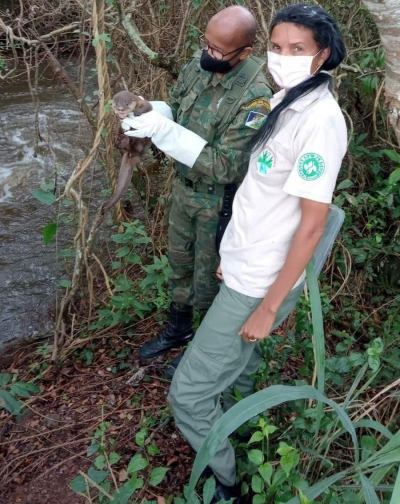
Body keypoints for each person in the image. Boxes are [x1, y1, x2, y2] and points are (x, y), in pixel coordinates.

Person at [167, 4, 348, 501]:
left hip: (260, 280)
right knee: (240, 364)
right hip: (247, 262)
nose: (283, 57)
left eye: (298, 49)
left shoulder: (320, 122)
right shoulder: (286, 100)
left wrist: (270, 304)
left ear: (323, 55)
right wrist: (230, 251)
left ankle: (224, 481)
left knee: (186, 394)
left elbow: (312, 225)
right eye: (277, 46)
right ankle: (243, 432)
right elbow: (262, 198)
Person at [122, 5, 273, 360]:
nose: (207, 54)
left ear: (245, 52)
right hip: (184, 189)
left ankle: (206, 351)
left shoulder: (256, 97)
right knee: (180, 264)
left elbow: (226, 166)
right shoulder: (201, 61)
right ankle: (179, 327)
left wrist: (166, 132)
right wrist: (152, 113)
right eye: (205, 44)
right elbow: (176, 106)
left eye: (218, 50)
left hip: (219, 201)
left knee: (211, 279)